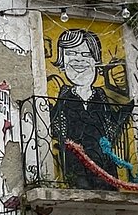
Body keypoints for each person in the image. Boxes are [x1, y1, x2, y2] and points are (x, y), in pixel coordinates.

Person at [50, 28, 132, 190]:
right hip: (75, 166)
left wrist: (125, 111)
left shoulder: (102, 95)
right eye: (72, 54)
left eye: (86, 54)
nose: (79, 60)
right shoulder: (64, 93)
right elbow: (56, 125)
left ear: (96, 61)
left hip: (104, 166)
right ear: (63, 62)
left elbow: (111, 126)